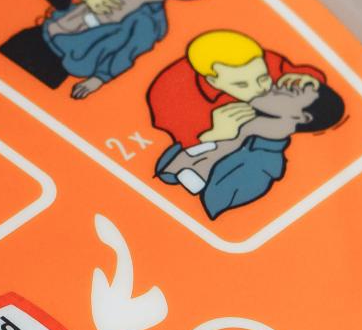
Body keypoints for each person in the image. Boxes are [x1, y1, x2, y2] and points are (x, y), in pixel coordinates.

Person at [146, 30, 346, 220]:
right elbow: (163, 171)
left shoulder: (261, 166)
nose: (269, 87)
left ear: (303, 117)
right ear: (213, 82)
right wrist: (210, 136)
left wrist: (211, 138)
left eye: (265, 79)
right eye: (242, 85)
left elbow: (207, 209)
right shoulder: (220, 118)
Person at [0, 0, 214, 99]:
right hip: (35, 35)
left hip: (57, 61)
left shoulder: (152, 22)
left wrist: (98, 79)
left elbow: (127, 52)